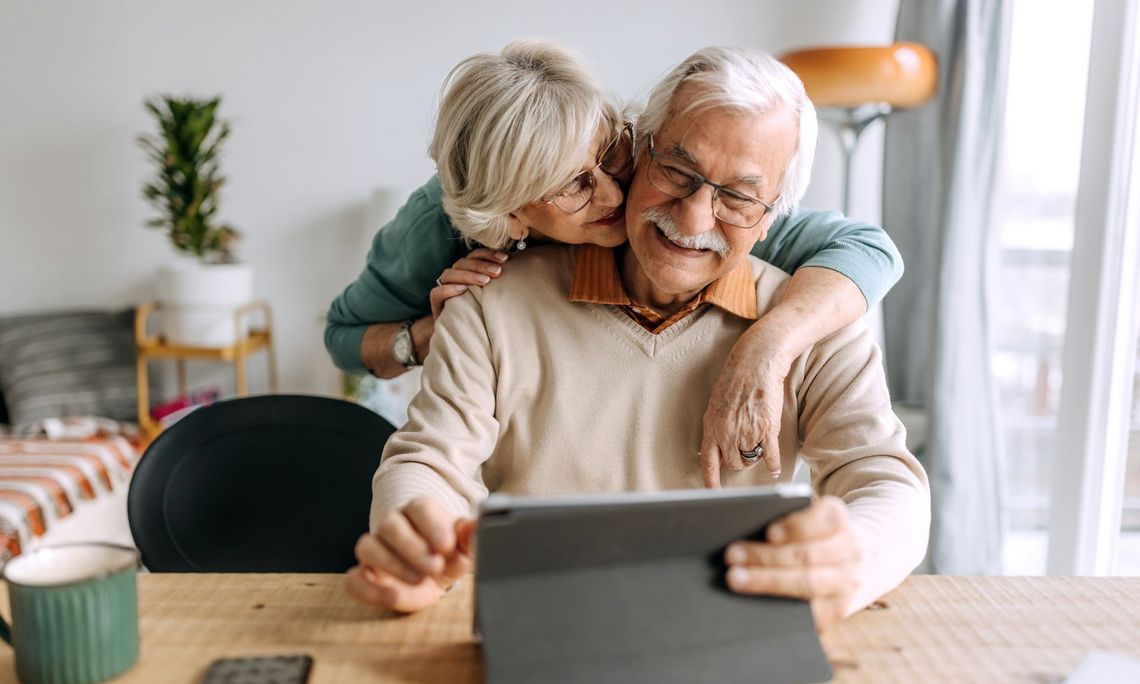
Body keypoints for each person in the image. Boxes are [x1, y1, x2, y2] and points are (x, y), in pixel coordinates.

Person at [347, 46, 930, 631]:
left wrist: (853, 557)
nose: (696, 218)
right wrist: (417, 534)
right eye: (678, 172)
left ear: (775, 212)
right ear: (642, 151)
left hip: (729, 626)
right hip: (541, 621)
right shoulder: (482, 302)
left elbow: (883, 480)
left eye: (739, 196)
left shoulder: (815, 316)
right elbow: (428, 460)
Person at [324, 39, 904, 484]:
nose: (612, 194)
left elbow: (871, 251)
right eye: (573, 186)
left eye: (612, 151)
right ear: (511, 218)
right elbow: (345, 339)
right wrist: (434, 334)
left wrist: (766, 348)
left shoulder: (685, 195)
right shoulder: (438, 230)